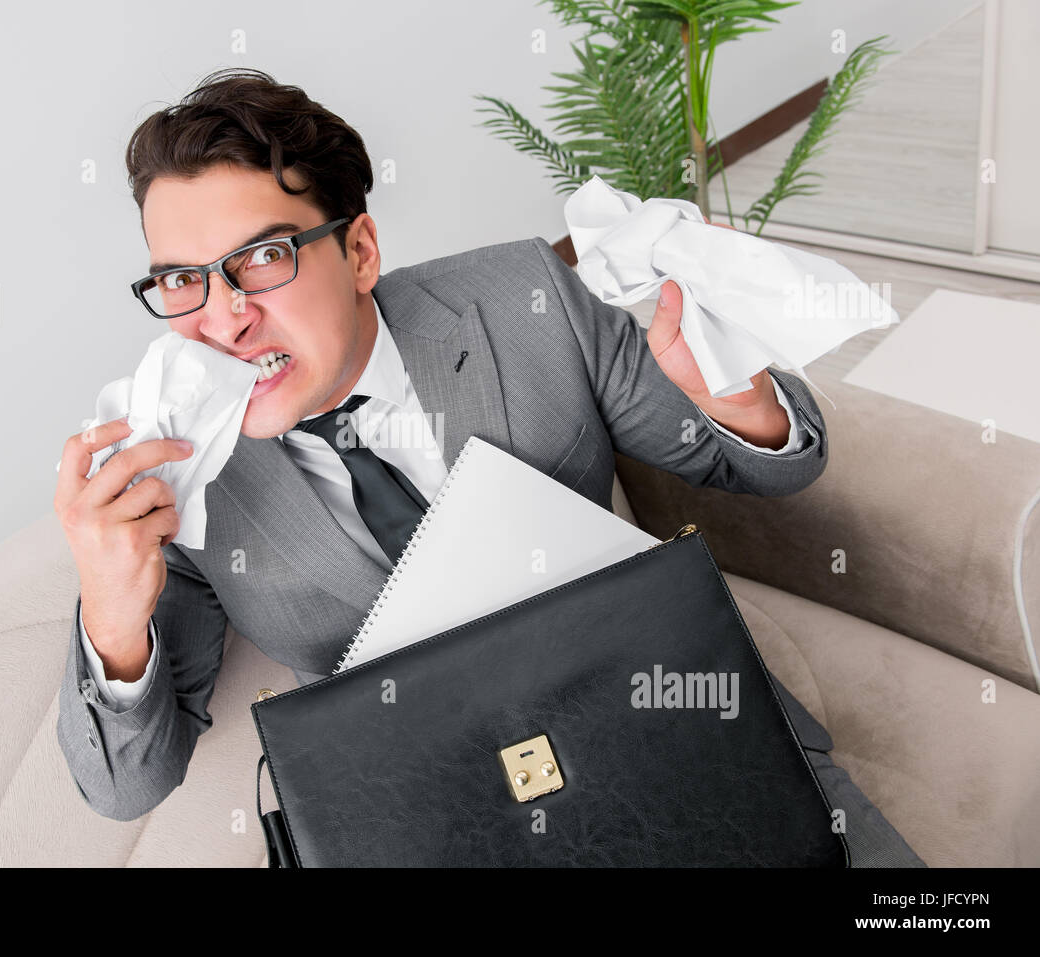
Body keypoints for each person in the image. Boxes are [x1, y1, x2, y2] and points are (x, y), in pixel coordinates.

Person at [52, 67, 923, 866]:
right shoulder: (174, 478)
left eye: (264, 257)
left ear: (358, 252)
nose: (224, 318)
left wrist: (730, 391)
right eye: (182, 281)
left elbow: (776, 472)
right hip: (440, 824)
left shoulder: (528, 298)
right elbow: (126, 786)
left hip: (691, 743)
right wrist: (113, 613)